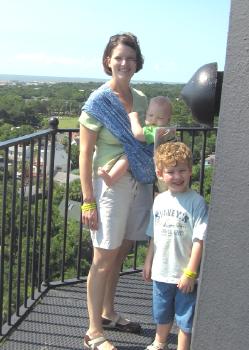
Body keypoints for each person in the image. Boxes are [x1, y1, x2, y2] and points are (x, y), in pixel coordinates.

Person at [79, 32, 154, 350]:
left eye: (130, 58)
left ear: (137, 63)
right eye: (118, 57)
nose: (124, 62)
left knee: (122, 250)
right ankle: (93, 332)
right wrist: (87, 202)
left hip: (137, 182)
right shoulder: (98, 101)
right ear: (108, 61)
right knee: (103, 257)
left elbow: (146, 137)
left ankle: (108, 312)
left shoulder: (141, 98)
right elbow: (84, 154)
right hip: (109, 187)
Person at [143, 142, 208, 350]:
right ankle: (159, 342)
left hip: (184, 274)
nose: (177, 176)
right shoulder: (159, 200)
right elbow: (154, 235)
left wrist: (190, 272)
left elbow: (200, 239)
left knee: (185, 317)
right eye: (171, 171)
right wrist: (148, 260)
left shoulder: (196, 202)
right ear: (160, 173)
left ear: (190, 171)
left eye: (182, 170)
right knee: (161, 313)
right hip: (161, 271)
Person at [98, 96, 172, 187]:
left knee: (128, 155)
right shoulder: (167, 131)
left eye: (160, 118)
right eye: (150, 115)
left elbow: (138, 134)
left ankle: (111, 178)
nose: (153, 120)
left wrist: (134, 118)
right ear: (146, 114)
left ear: (168, 119)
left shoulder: (157, 130)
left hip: (150, 163)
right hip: (156, 163)